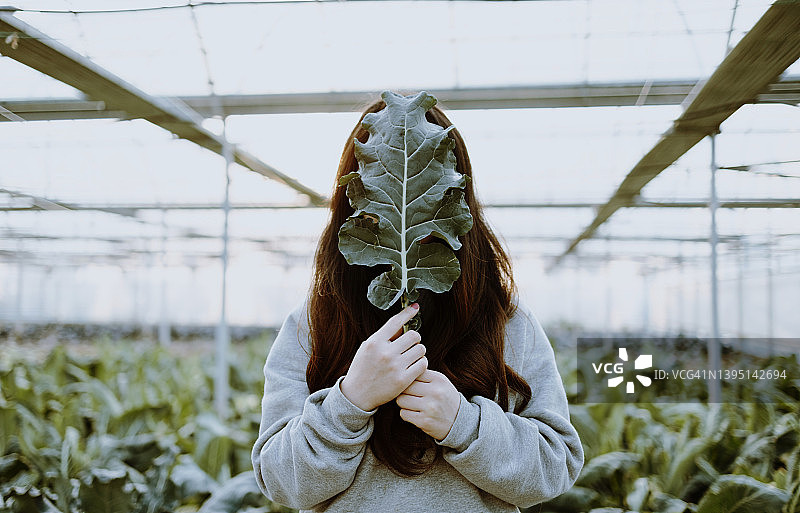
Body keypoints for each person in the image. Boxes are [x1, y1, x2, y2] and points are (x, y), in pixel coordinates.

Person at [251, 94, 584, 513]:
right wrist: (350, 401)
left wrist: (463, 423)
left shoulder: (507, 321)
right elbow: (279, 481)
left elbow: (555, 466)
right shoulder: (312, 324)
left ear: (456, 195)